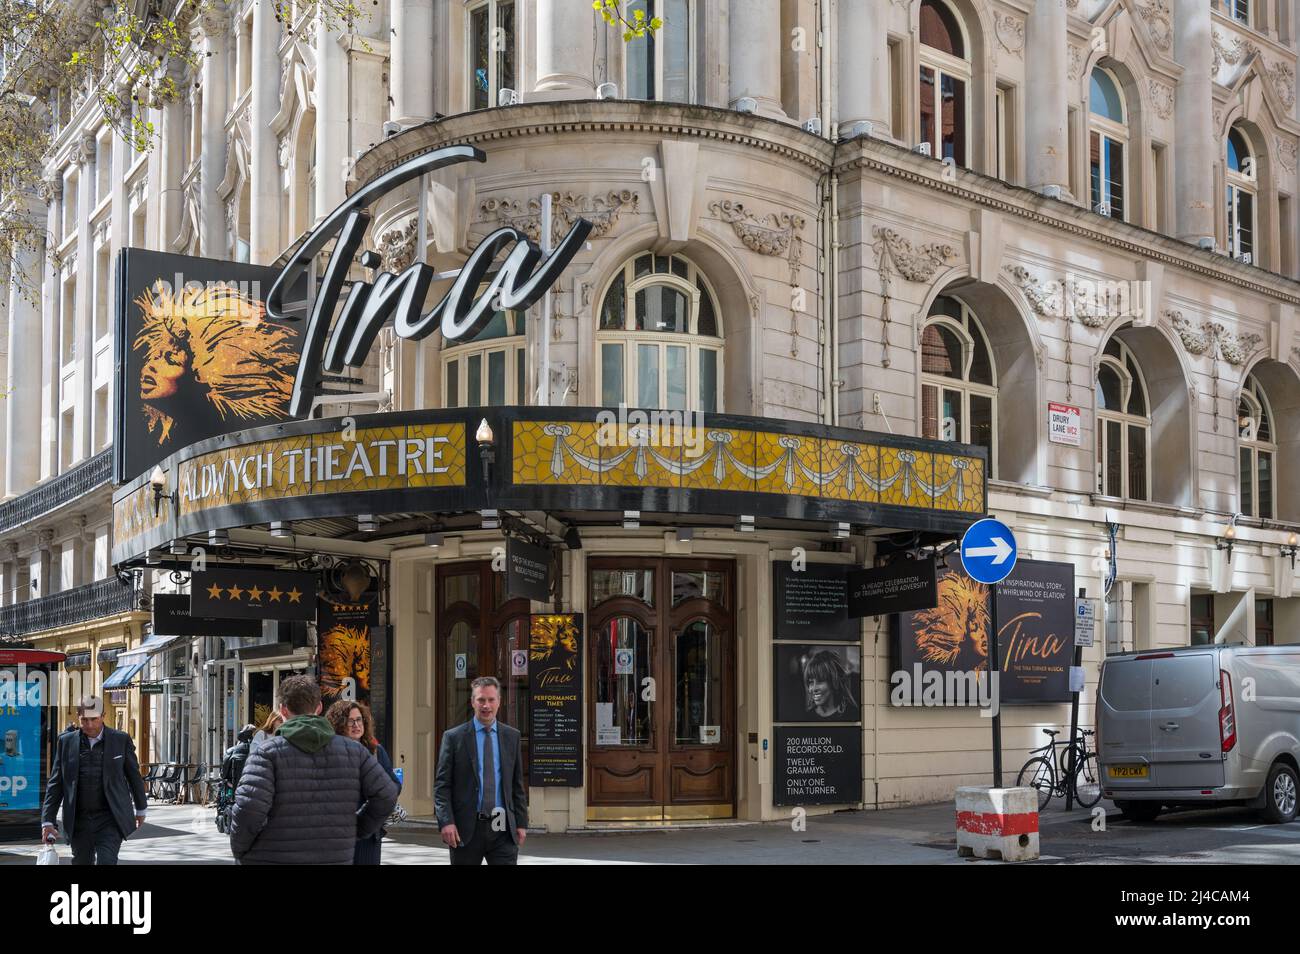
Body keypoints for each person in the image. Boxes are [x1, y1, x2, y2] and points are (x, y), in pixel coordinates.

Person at [228, 675, 397, 865]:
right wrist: (357, 828)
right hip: (334, 857)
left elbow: (248, 809)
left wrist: (239, 849)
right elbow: (387, 794)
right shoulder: (354, 752)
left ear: (283, 710)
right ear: (319, 708)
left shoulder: (267, 754)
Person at [40, 696, 148, 865]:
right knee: (82, 861)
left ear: (103, 716)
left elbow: (133, 775)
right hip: (79, 820)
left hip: (110, 818)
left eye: (94, 719)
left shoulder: (120, 740)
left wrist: (141, 808)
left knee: (107, 861)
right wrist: (48, 820)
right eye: (84, 720)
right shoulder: (66, 742)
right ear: (78, 716)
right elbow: (56, 783)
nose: (89, 725)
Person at [434, 676, 528, 866]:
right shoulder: (453, 738)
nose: (486, 706)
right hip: (466, 829)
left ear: (499, 702)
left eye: (491, 700)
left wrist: (521, 823)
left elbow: (516, 785)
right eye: (481, 700)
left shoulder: (512, 737)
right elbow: (442, 786)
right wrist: (446, 821)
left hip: (502, 828)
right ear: (472, 702)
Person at [326, 699, 401, 864]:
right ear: (338, 724)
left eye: (359, 720)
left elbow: (394, 784)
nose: (356, 725)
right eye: (350, 721)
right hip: (338, 833)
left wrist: (377, 796)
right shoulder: (328, 752)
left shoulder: (375, 750)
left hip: (369, 832)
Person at [803, 649, 861, 722]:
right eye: (811, 682)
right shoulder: (806, 717)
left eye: (820, 681)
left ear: (834, 682)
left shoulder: (852, 715)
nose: (814, 688)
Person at [221, 725, 256, 792]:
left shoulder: (230, 751)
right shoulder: (260, 752)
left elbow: (224, 774)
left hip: (234, 787)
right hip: (254, 789)